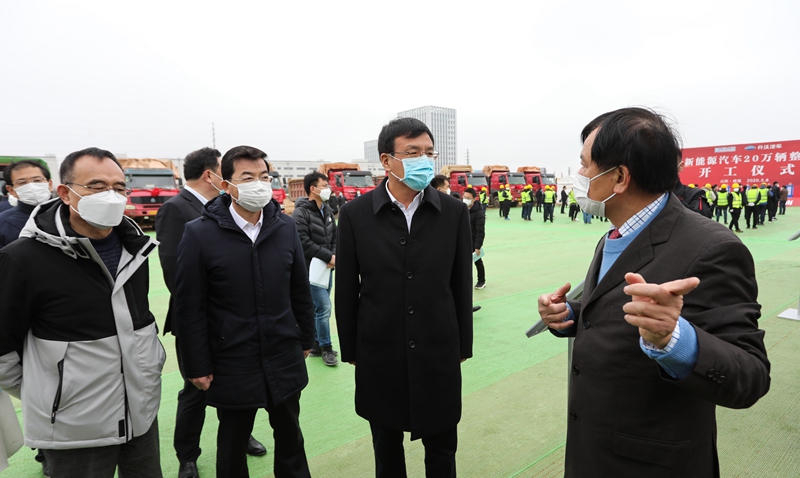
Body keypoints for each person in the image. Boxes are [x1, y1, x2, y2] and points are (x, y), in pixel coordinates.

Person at [538, 108, 770, 477]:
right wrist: (570, 314)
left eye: (584, 164)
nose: (579, 175)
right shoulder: (614, 234)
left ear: (619, 177)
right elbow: (617, 314)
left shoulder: (712, 247)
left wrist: (674, 339)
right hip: (592, 452)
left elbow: (750, 377)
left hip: (651, 464)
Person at [0, 147, 165, 478]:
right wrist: (52, 393)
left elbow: (139, 322)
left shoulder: (136, 248)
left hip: (140, 411)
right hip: (74, 427)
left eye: (119, 187)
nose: (111, 196)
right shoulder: (22, 258)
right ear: (65, 193)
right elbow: (3, 348)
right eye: (97, 186)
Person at [336, 117, 472, 478]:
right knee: (386, 450)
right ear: (386, 160)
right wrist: (351, 349)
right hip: (380, 351)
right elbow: (346, 287)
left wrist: (462, 345)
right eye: (412, 152)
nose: (423, 160)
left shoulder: (454, 212)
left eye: (429, 152)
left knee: (442, 449)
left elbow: (461, 283)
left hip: (437, 349)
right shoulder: (354, 215)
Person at [174, 146, 314, 478]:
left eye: (264, 177)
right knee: (233, 443)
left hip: (282, 352)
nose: (259, 185)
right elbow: (190, 305)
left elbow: (299, 289)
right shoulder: (199, 233)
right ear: (226, 185)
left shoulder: (284, 227)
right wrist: (196, 365)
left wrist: (306, 338)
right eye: (247, 177)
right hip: (232, 358)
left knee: (291, 436)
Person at [155, 147, 266, 478]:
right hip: (200, 322)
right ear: (211, 175)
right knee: (196, 390)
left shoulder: (230, 206)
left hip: (237, 322)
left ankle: (241, 435)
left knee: (238, 385)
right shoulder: (175, 209)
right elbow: (176, 274)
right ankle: (187, 454)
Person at [292, 171, 339, 367]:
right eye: (324, 186)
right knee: (324, 308)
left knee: (318, 308)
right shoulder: (300, 213)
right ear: (313, 189)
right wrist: (328, 256)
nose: (328, 189)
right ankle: (326, 347)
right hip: (311, 269)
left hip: (327, 268)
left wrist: (333, 256)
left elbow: (335, 236)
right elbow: (302, 241)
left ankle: (316, 345)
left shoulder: (327, 210)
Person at [0, 160, 54, 247]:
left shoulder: (71, 212)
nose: (32, 187)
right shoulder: (3, 222)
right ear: (11, 190)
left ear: (50, 184)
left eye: (37, 180)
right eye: (22, 183)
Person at [463, 187, 486, 290]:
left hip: (473, 241)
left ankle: (481, 281)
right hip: (463, 241)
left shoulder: (479, 213)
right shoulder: (462, 209)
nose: (465, 199)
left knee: (477, 261)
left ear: (474, 199)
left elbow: (480, 231)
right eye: (464, 197)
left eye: (468, 198)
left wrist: (477, 247)